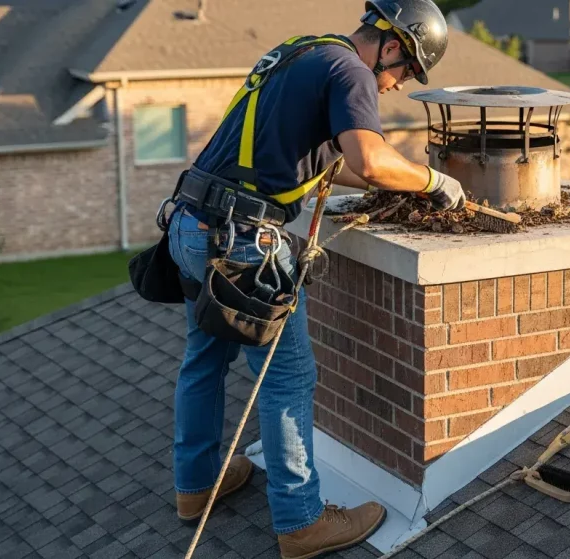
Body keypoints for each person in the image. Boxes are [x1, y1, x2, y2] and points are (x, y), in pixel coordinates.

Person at [163, 1, 463, 556]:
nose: (397, 85)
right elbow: (370, 160)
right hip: (242, 240)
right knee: (287, 378)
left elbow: (337, 163)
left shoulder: (302, 52)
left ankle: (195, 485)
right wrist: (430, 180)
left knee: (204, 358)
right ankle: (302, 521)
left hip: (190, 223)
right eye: (405, 71)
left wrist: (403, 184)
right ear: (392, 44)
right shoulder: (351, 69)